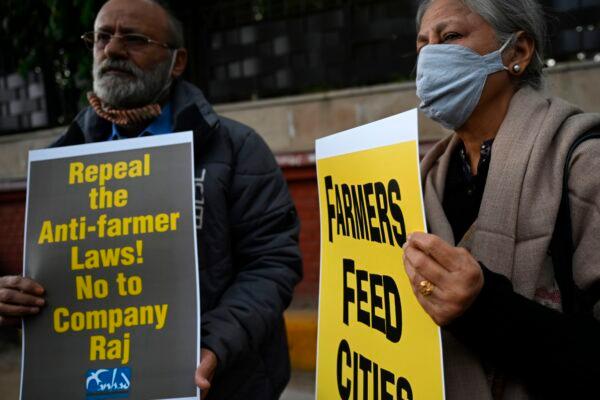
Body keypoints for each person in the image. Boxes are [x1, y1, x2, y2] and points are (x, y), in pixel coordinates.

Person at [0, 0, 302, 399]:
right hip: (97, 385)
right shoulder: (61, 161)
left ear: (177, 62)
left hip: (225, 384)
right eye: (102, 37)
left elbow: (272, 264)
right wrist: (14, 296)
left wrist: (214, 346)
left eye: (134, 39)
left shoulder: (236, 149)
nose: (112, 50)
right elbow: (53, 277)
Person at [402, 0, 600, 398]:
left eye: (450, 37)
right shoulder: (424, 178)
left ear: (517, 52)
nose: (429, 57)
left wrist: (483, 308)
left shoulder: (583, 164)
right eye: (423, 44)